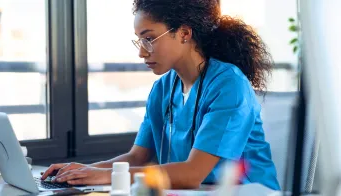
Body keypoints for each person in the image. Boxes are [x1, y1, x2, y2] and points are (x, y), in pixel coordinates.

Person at [41, 0, 280, 190]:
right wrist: (80, 171)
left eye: (149, 39)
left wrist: (102, 176)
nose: (142, 53)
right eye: (139, 41)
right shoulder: (163, 88)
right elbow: (137, 157)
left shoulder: (229, 85)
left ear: (184, 33)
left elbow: (192, 174)